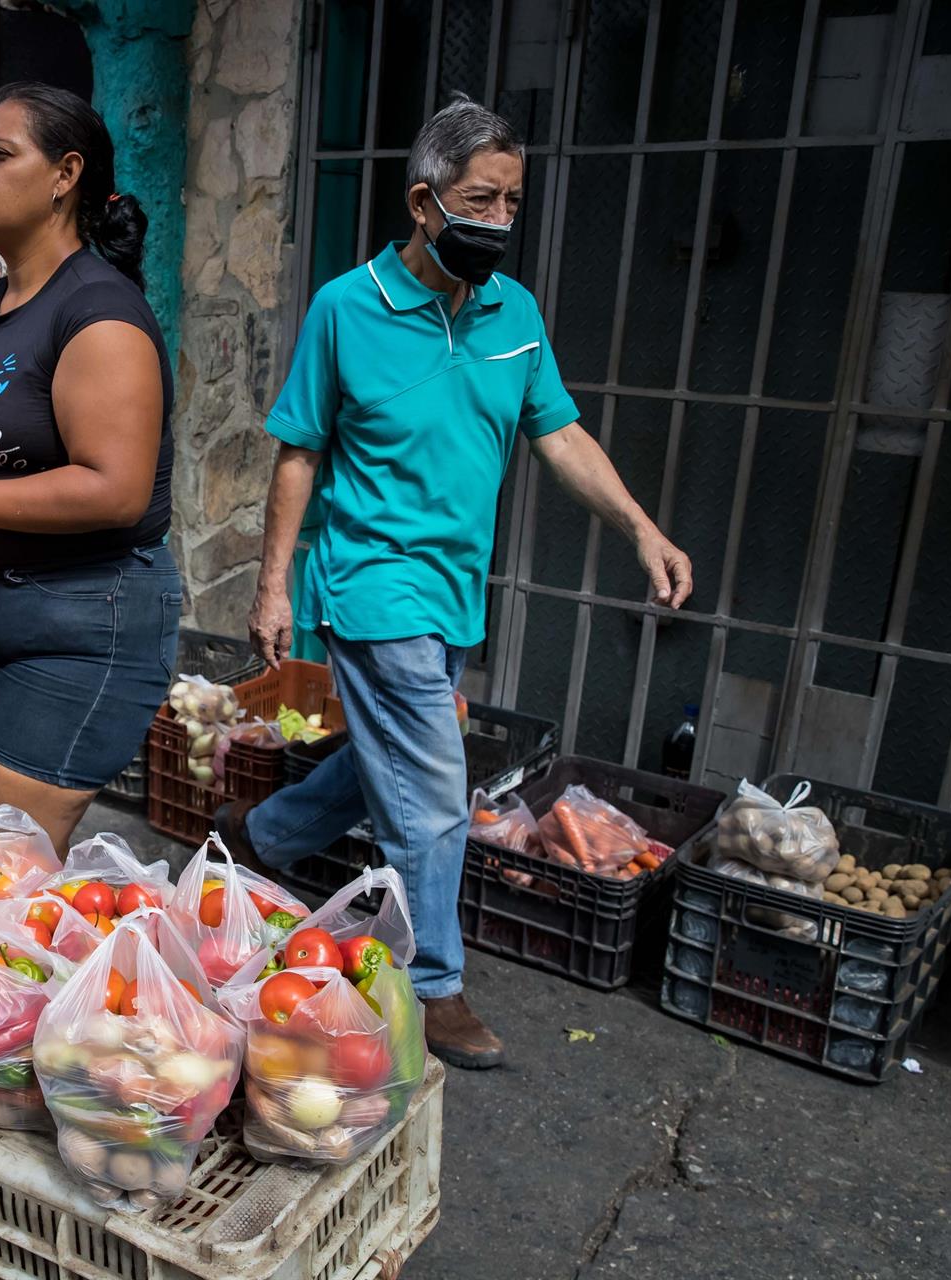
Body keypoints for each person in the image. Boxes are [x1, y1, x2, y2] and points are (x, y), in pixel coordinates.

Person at [213, 95, 694, 1070]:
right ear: (424, 201)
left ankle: (262, 829)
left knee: (393, 752)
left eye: (514, 202)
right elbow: (298, 453)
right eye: (482, 199)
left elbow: (558, 434)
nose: (501, 221)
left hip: (453, 591)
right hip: (369, 581)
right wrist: (272, 588)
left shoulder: (515, 315)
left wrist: (641, 526)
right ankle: (436, 982)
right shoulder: (348, 308)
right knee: (432, 787)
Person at [0, 83, 177, 853]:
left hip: (78, 619)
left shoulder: (98, 314)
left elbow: (114, 488)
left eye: (0, 154)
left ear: (65, 175)